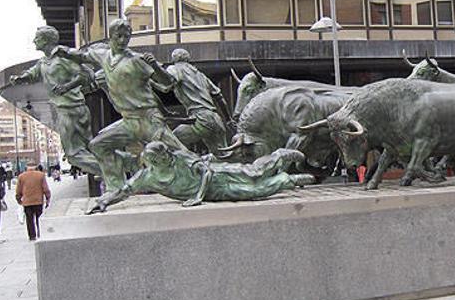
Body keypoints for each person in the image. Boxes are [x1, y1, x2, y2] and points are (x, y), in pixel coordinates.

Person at [65, 19, 187, 190]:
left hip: (148, 119)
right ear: (110, 37)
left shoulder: (138, 60)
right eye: (119, 36)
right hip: (128, 121)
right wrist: (59, 51)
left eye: (126, 37)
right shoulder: (103, 55)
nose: (122, 40)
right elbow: (81, 55)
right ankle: (116, 187)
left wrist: (155, 67)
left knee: (181, 154)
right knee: (98, 145)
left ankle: (211, 176)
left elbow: (168, 83)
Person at [86, 142, 314, 214]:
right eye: (161, 157)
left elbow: (206, 171)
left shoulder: (180, 159)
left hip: (217, 177)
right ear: (153, 161)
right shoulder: (147, 177)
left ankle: (279, 157)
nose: (167, 157)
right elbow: (124, 190)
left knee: (253, 173)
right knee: (255, 192)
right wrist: (104, 201)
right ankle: (288, 180)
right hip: (215, 193)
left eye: (166, 154)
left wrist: (197, 197)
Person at [8, 26, 102, 176]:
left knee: (73, 154)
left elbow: (88, 74)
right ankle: (114, 172)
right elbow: (32, 74)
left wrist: (67, 87)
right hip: (69, 109)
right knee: (89, 147)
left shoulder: (62, 56)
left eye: (37, 38)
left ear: (46, 40)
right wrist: (20, 79)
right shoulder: (44, 62)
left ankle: (111, 173)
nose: (34, 41)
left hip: (70, 109)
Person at [158, 48, 231, 155]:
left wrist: (155, 67)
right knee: (223, 157)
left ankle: (192, 166)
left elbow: (168, 81)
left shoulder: (175, 68)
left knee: (170, 143)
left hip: (200, 120)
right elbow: (219, 97)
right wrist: (228, 119)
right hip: (216, 119)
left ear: (173, 58)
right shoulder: (200, 75)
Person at [16, 162, 51, 241]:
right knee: (39, 218)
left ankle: (32, 235)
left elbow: (18, 190)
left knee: (29, 220)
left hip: (27, 202)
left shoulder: (21, 176)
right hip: (38, 201)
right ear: (35, 167)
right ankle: (40, 233)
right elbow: (45, 188)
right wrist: (48, 198)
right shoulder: (41, 175)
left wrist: (19, 199)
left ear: (26, 167)